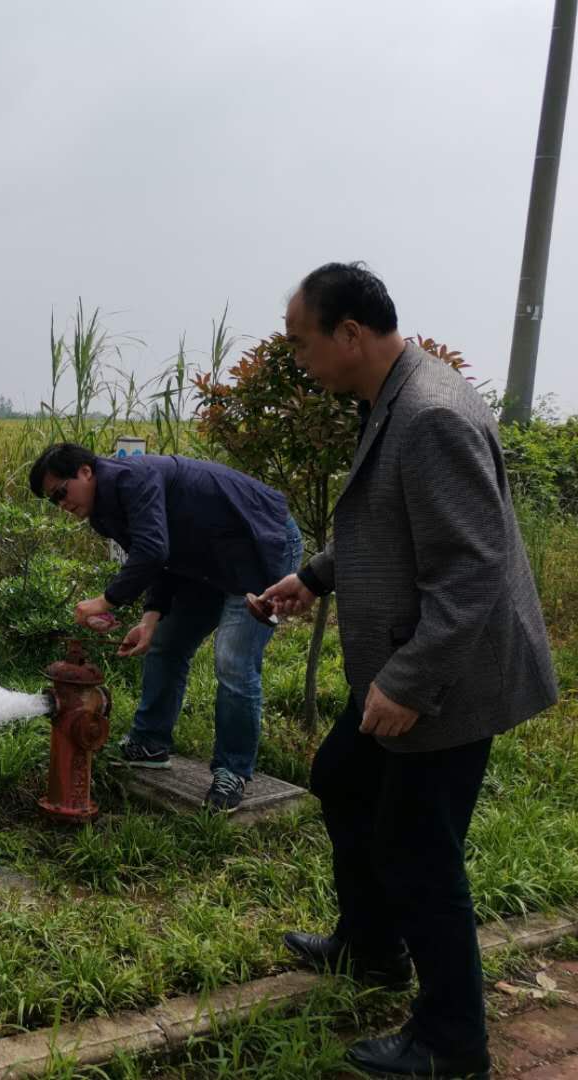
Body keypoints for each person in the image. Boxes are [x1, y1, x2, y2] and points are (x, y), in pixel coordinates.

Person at [260, 262, 558, 1079]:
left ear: (350, 334)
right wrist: (313, 576)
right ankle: (372, 947)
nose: (298, 359)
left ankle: (453, 1040)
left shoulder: (428, 414)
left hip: (450, 676)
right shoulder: (393, 396)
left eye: (301, 342)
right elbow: (387, 522)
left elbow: (472, 569)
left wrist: (407, 682)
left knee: (419, 850)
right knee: (342, 778)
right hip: (408, 653)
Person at [29, 442, 303, 812]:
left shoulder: (132, 479)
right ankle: (150, 742)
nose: (62, 504)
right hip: (204, 561)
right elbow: (161, 556)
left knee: (233, 660)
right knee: (165, 643)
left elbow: (153, 550)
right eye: (53, 502)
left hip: (259, 543)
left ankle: (232, 771)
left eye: (61, 492)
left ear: (85, 472)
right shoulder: (103, 513)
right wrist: (150, 618)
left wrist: (106, 600)